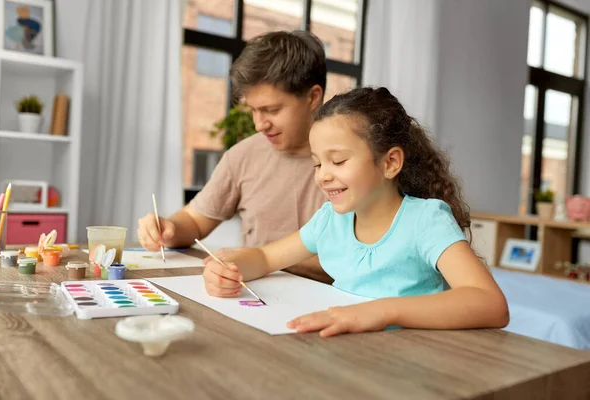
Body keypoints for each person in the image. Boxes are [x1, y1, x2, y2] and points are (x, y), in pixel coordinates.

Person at [201, 87, 510, 337]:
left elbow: (490, 303)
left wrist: (381, 310)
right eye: (318, 163)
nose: (322, 175)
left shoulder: (425, 221)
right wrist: (230, 266)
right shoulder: (330, 220)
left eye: (338, 161)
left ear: (390, 163)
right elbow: (267, 258)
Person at [137, 31, 331, 283]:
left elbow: (361, 256)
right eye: (252, 110)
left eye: (271, 110)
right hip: (254, 299)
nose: (259, 123)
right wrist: (168, 229)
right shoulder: (243, 155)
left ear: (313, 97)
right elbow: (195, 221)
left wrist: (260, 258)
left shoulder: (350, 159)